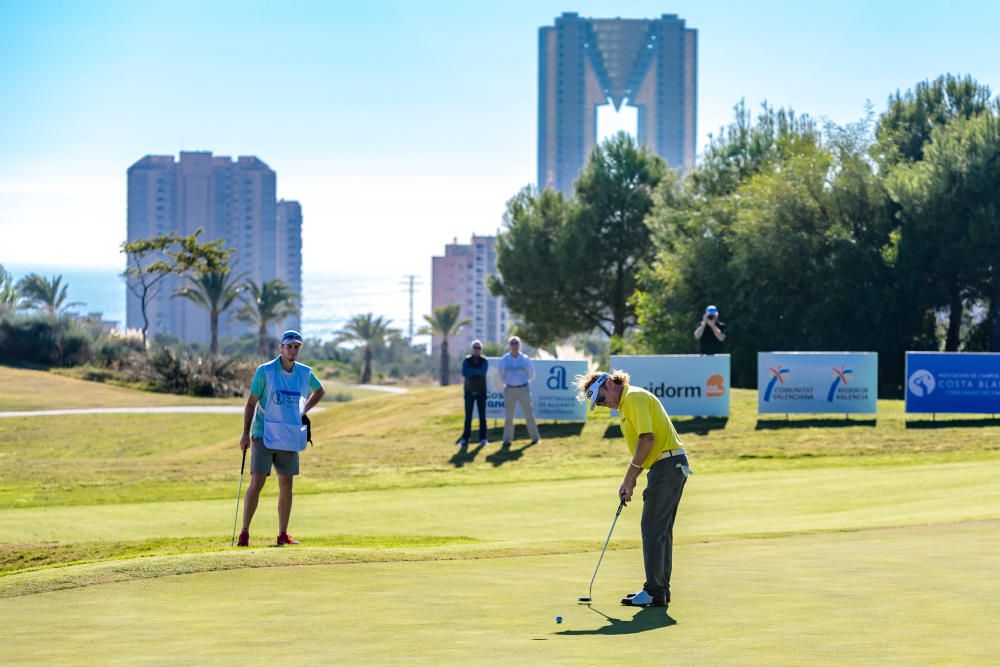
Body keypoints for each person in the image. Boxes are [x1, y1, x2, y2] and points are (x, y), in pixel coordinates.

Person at [577, 369, 693, 608]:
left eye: (600, 399)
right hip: (666, 465)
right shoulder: (626, 406)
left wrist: (629, 478)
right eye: (597, 404)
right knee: (659, 530)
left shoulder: (633, 398)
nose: (602, 404)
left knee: (652, 528)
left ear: (609, 383)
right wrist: (631, 480)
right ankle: (659, 590)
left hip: (667, 464)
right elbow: (644, 449)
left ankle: (654, 590)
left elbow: (647, 439)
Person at [237, 330, 325, 547]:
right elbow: (251, 403)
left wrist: (304, 410)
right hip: (262, 434)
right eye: (289, 346)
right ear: (281, 348)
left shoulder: (305, 373)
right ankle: (244, 532)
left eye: (297, 347)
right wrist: (245, 433)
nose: (293, 350)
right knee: (257, 481)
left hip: (289, 435)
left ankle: (282, 534)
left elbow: (320, 391)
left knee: (286, 484)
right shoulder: (265, 371)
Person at [497, 335, 541, 447]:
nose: (514, 345)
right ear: (509, 346)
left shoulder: (525, 359)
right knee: (509, 416)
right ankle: (507, 439)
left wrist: (522, 382)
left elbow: (531, 374)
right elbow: (501, 375)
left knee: (529, 414)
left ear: (519, 345)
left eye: (516, 343)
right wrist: (510, 382)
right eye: (512, 343)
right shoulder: (505, 360)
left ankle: (535, 438)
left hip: (523, 389)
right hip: (509, 390)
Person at [458, 339, 489, 448]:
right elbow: (464, 372)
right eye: (475, 347)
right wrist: (475, 372)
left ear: (481, 349)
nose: (477, 350)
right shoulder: (467, 360)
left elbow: (482, 371)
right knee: (468, 417)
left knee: (482, 417)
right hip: (469, 392)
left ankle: (483, 438)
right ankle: (465, 439)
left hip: (481, 391)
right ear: (472, 349)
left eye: (478, 348)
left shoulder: (484, 360)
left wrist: (472, 372)